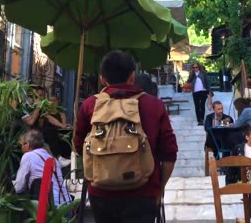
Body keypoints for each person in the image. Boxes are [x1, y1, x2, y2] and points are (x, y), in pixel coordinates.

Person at [74, 50, 178, 223]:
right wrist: (160, 189)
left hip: (101, 193)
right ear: (132, 76)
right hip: (143, 194)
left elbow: (79, 147)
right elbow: (170, 154)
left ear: (102, 79)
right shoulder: (154, 105)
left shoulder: (90, 105)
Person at [14, 129, 70, 206]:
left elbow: (19, 187)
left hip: (50, 207)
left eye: (22, 145)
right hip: (67, 204)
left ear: (27, 144)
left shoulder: (28, 156)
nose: (21, 148)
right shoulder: (53, 159)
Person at [41, 96, 72, 167]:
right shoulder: (45, 112)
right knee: (52, 132)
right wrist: (61, 125)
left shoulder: (61, 113)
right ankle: (58, 157)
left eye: (54, 100)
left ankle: (69, 155)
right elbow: (51, 120)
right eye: (50, 100)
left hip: (59, 132)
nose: (52, 102)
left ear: (57, 102)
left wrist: (64, 126)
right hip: (48, 133)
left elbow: (63, 126)